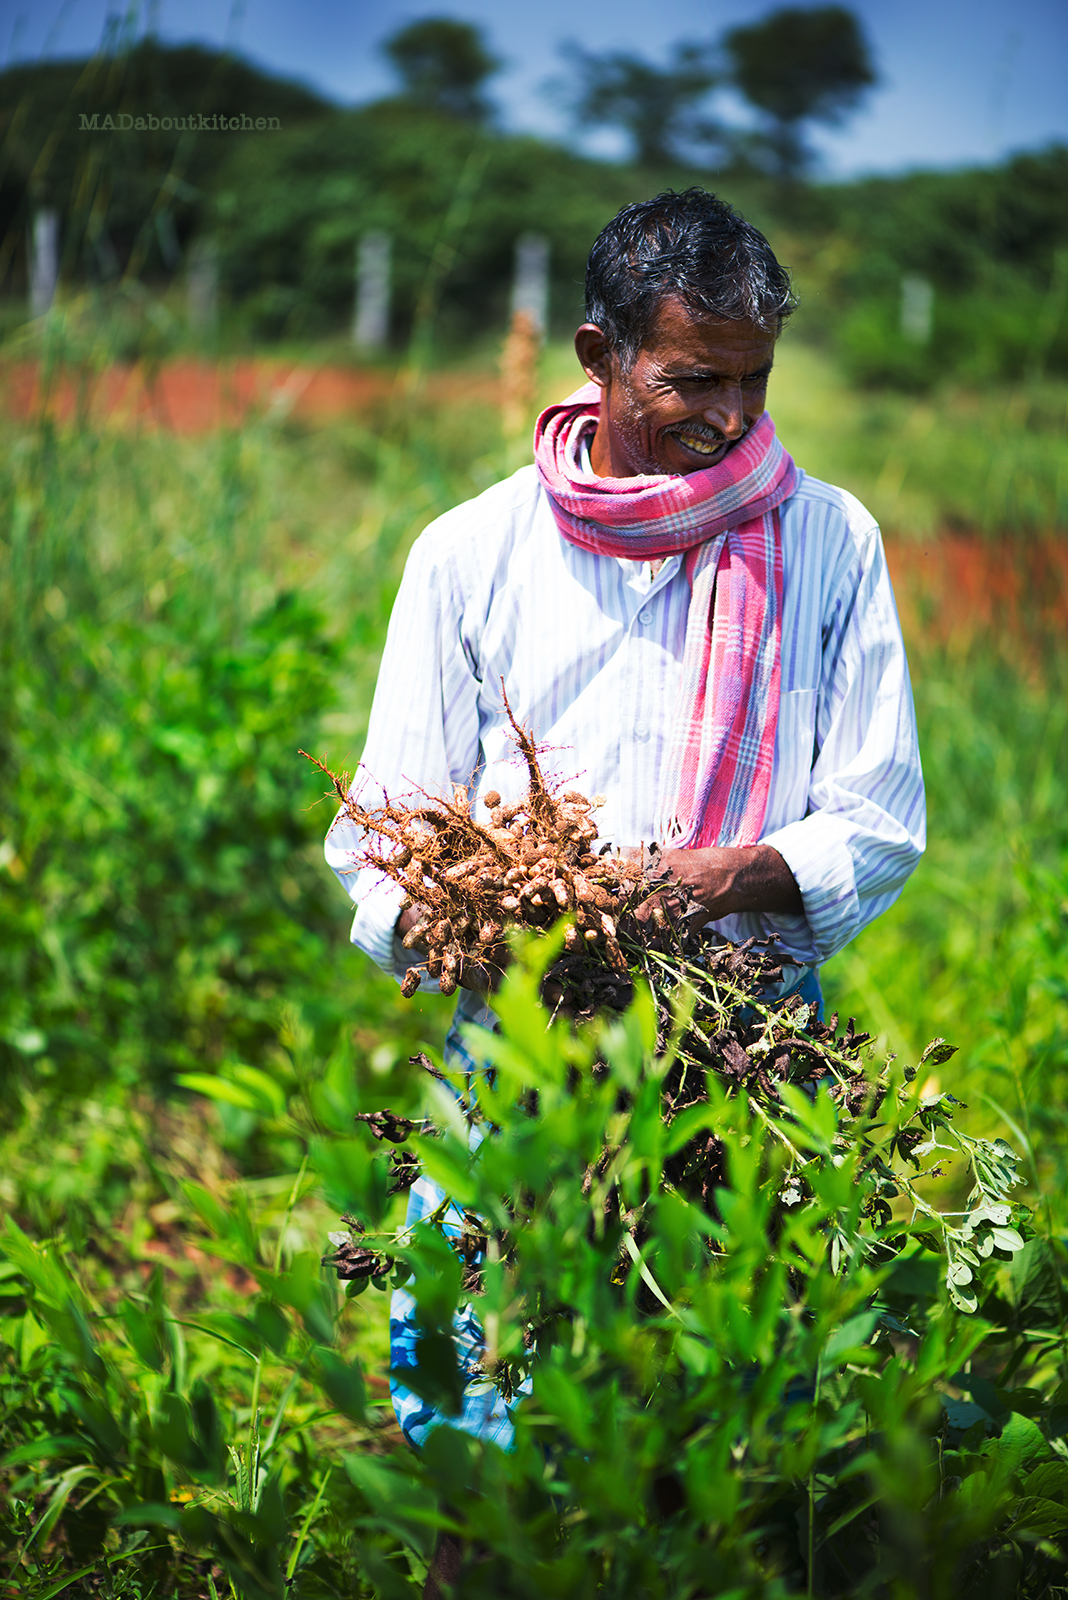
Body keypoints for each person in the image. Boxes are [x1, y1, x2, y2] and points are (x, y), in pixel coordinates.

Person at [326, 187, 924, 1470]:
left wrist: (709, 881)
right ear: (601, 358)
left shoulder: (828, 541)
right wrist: (477, 928)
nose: (734, 419)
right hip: (522, 1060)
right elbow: (377, 849)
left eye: (757, 383)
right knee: (477, 1409)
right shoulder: (469, 554)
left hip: (747, 1056)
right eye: (696, 379)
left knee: (719, 1434)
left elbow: (880, 818)